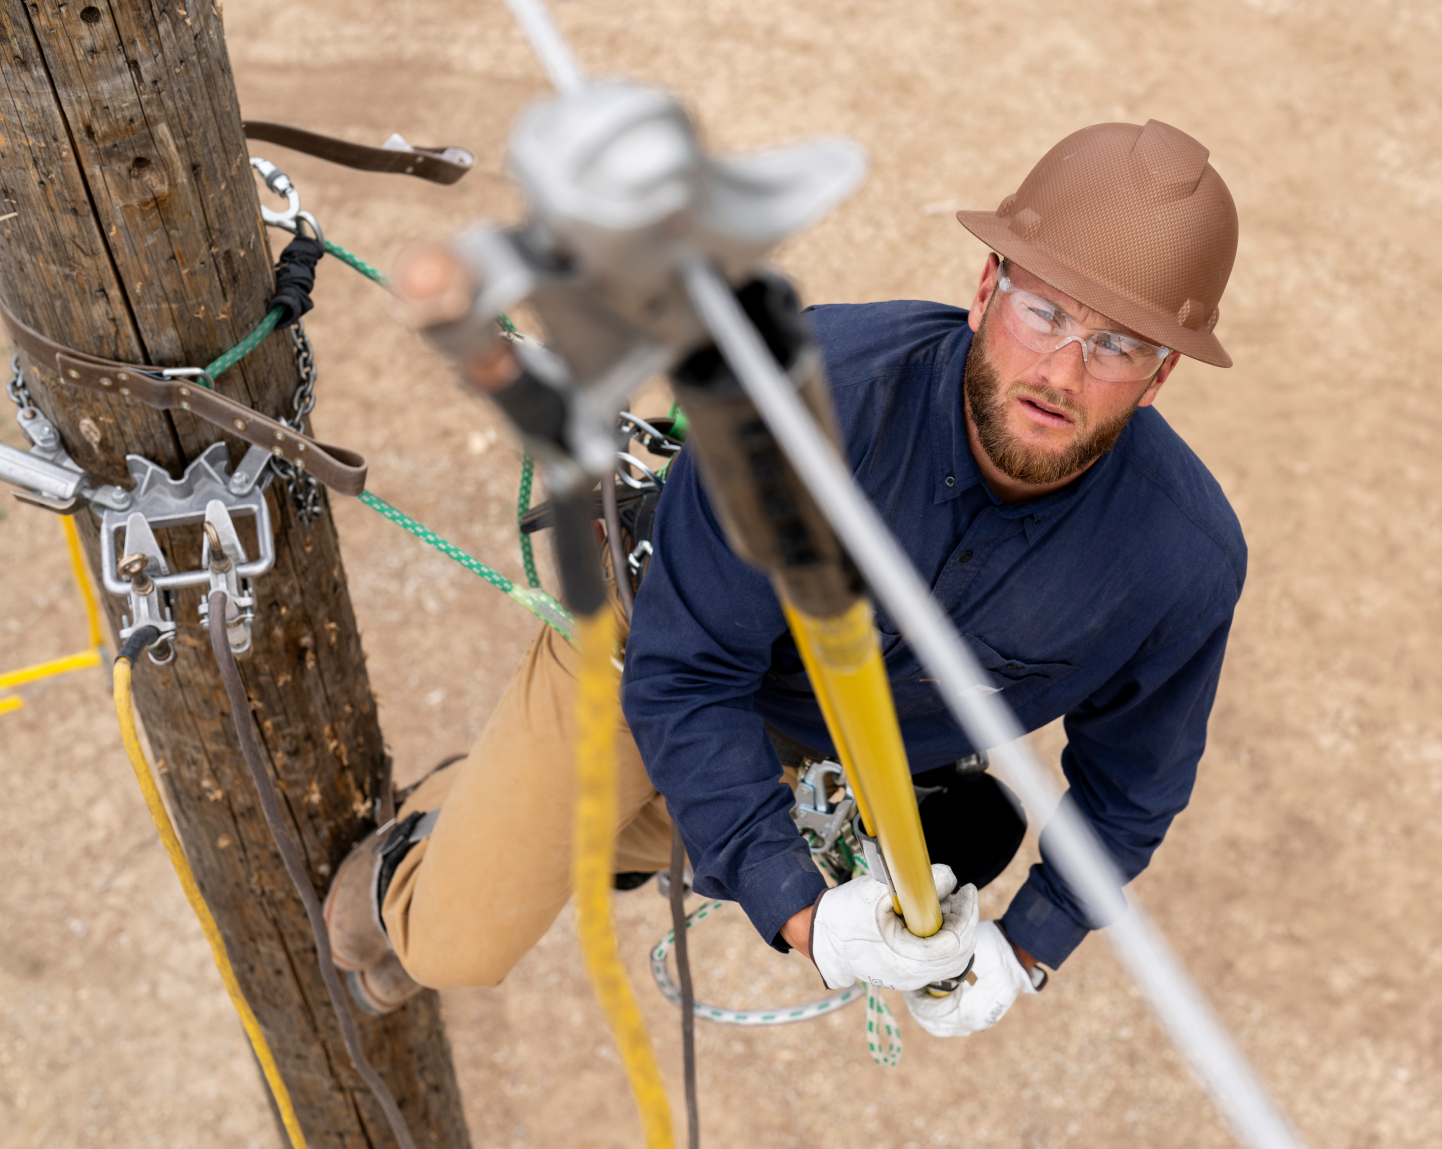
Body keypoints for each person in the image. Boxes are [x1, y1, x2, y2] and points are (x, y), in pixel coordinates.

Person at [324, 118, 1245, 1042]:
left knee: (955, 835)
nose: (1061, 371)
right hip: (656, 660)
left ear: (1159, 378)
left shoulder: (1182, 563)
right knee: (452, 949)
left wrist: (1028, 948)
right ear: (984, 292)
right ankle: (441, 833)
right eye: (1044, 312)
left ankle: (587, 824)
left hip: (835, 756)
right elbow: (686, 678)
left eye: (1117, 345)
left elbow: (1132, 790)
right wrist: (804, 913)